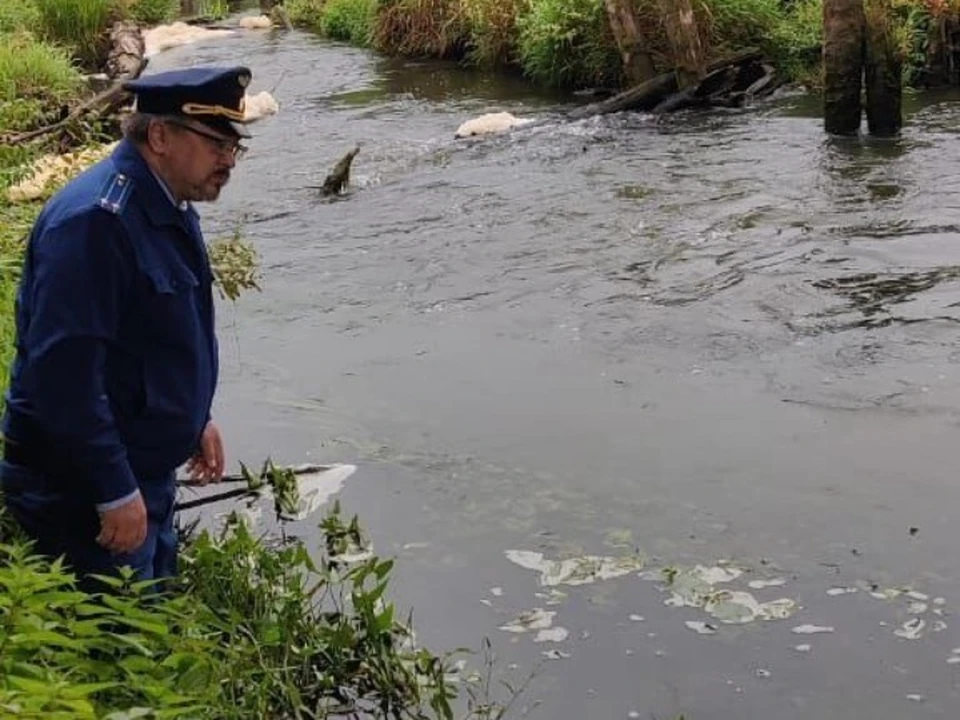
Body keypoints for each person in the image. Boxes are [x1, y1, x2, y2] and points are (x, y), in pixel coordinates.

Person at [0, 65, 256, 594]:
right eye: (215, 144)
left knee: (151, 618)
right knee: (117, 631)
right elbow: (62, 379)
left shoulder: (166, 202)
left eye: (235, 146)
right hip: (84, 489)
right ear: (159, 136)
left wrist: (195, 418)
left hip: (143, 474)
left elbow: (157, 335)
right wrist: (113, 489)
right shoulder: (96, 223)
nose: (228, 160)